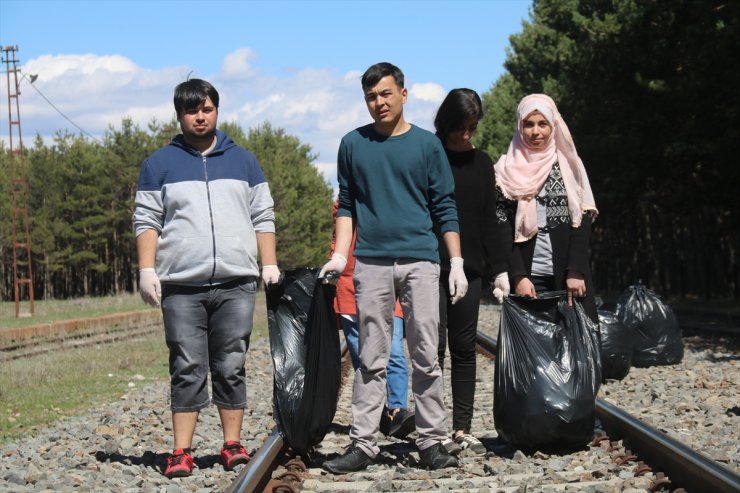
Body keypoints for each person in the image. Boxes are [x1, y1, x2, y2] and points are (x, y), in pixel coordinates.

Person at [319, 62, 467, 474]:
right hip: (370, 263)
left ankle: (431, 440)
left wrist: (455, 260)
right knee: (371, 355)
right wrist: (340, 254)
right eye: (371, 96)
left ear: (404, 94)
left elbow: (444, 205)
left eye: (385, 94)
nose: (378, 103)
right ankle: (363, 444)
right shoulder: (353, 144)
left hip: (421, 259)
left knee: (425, 353)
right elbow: (346, 204)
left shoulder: (426, 145)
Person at [133, 78, 280, 479]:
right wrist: (148, 269)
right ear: (179, 115)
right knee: (186, 365)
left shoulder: (244, 161)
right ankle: (182, 452)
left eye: (207, 109)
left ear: (217, 110)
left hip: (236, 282)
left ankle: (232, 444)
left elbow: (262, 215)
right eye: (192, 110)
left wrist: (268, 263)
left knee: (231, 363)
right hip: (181, 285)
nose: (200, 116)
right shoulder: (158, 163)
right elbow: (146, 220)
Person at [433, 89, 512, 455]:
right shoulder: (430, 155)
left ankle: (461, 427)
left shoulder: (483, 163)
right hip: (430, 265)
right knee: (431, 348)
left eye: (472, 127)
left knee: (464, 347)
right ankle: (431, 427)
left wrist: (500, 270)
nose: (466, 135)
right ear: (446, 122)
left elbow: (490, 219)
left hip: (472, 269)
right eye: (460, 127)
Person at [494, 93, 598, 321]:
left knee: (574, 348)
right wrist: (519, 276)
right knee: (530, 352)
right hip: (529, 278)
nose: (535, 131)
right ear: (520, 126)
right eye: (528, 124)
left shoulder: (570, 165)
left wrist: (575, 269)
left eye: (543, 124)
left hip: (567, 274)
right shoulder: (505, 170)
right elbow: (503, 228)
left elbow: (583, 218)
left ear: (554, 125)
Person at [328, 199, 415, 440]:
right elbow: (337, 242)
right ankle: (377, 413)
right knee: (363, 357)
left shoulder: (393, 198)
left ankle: (398, 410)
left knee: (395, 349)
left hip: (389, 284)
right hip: (350, 287)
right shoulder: (343, 205)